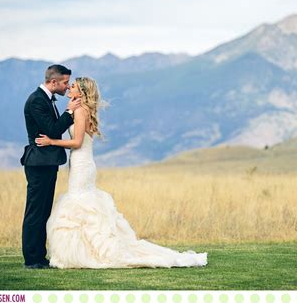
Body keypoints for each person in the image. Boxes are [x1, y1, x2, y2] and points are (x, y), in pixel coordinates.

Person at [35, 77, 208, 268]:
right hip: (82, 163)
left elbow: (76, 143)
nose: (69, 87)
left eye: (73, 86)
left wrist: (51, 142)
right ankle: (87, 250)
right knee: (84, 203)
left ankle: (93, 252)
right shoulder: (81, 110)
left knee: (80, 202)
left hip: (82, 164)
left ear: (82, 92)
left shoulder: (81, 112)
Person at [20, 64, 81, 269]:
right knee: (35, 211)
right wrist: (69, 111)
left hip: (48, 162)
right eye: (65, 82)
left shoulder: (46, 99)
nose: (67, 86)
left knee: (44, 210)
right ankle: (31, 259)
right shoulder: (36, 100)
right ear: (53, 82)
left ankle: (39, 256)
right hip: (38, 163)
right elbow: (53, 130)